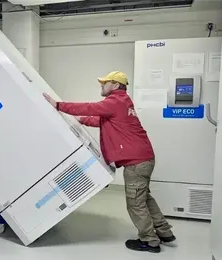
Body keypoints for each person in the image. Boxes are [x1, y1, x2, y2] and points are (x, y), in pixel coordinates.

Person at [43, 71, 176, 253]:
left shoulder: (115, 101)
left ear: (114, 85)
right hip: (144, 159)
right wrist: (81, 120)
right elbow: (101, 120)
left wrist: (58, 105)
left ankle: (149, 241)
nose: (101, 85)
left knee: (135, 203)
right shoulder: (122, 103)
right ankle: (165, 232)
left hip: (136, 162)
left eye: (104, 83)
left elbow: (90, 108)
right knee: (144, 198)